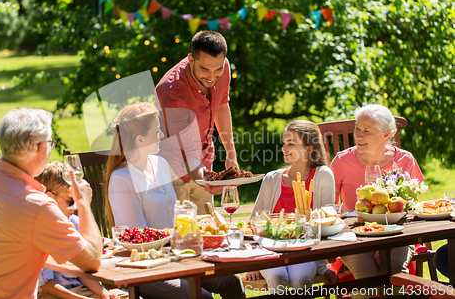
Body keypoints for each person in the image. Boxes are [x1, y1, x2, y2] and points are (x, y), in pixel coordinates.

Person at [0, 108, 102, 299]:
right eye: (51, 143)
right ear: (41, 148)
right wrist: (82, 202)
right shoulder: (38, 206)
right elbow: (92, 261)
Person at [104, 102, 245, 299]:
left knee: (232, 281)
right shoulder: (122, 179)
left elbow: (175, 213)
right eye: (157, 131)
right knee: (202, 297)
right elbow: (136, 236)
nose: (162, 135)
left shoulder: (160, 163)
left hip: (178, 255)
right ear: (140, 139)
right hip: (146, 266)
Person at [331, 104, 424, 299]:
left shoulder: (405, 160)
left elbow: (412, 207)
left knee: (394, 275)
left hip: (397, 234)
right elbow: (330, 208)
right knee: (370, 281)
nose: (359, 135)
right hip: (354, 237)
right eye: (357, 128)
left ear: (385, 134)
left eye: (366, 130)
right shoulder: (341, 162)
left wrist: (384, 241)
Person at [245, 120, 337, 293]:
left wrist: (322, 264)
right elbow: (254, 222)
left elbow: (326, 221)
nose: (284, 148)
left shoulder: (323, 175)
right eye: (284, 144)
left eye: (291, 144)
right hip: (269, 249)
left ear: (308, 149)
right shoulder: (272, 179)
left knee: (301, 280)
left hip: (305, 250)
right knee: (277, 278)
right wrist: (255, 262)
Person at [155, 30, 238, 214]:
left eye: (218, 70)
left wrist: (230, 153)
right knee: (182, 233)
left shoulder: (221, 66)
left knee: (208, 228)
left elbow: (222, 105)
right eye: (204, 69)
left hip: (203, 160)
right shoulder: (172, 92)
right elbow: (186, 156)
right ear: (191, 60)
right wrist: (208, 182)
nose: (212, 76)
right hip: (172, 168)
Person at [35, 162, 126, 299]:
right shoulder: (40, 230)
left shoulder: (74, 223)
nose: (75, 208)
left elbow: (84, 273)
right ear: (49, 197)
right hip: (52, 294)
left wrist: (104, 293)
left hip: (79, 288)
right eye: (70, 201)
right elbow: (45, 285)